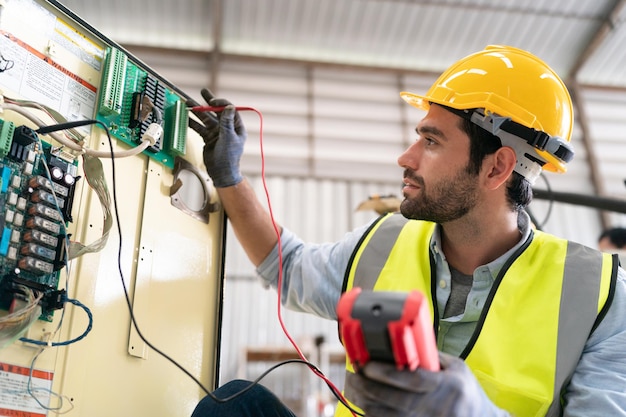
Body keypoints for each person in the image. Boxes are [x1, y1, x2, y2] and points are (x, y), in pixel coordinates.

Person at [187, 45, 626, 417]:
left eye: (431, 141)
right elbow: (287, 265)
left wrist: (474, 412)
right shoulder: (383, 242)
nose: (406, 157)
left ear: (497, 168)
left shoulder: (598, 296)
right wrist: (229, 177)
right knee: (235, 404)